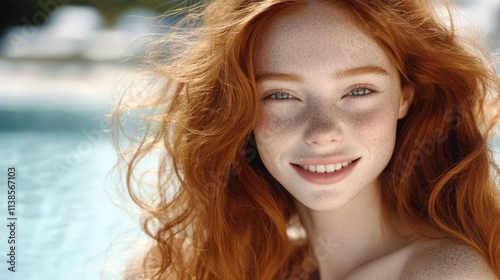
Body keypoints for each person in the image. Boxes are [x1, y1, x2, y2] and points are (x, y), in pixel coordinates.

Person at [113, 0, 500, 279]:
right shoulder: (186, 268)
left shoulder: (444, 273)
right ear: (241, 110)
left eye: (359, 91)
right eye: (280, 95)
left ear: (404, 96)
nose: (322, 132)